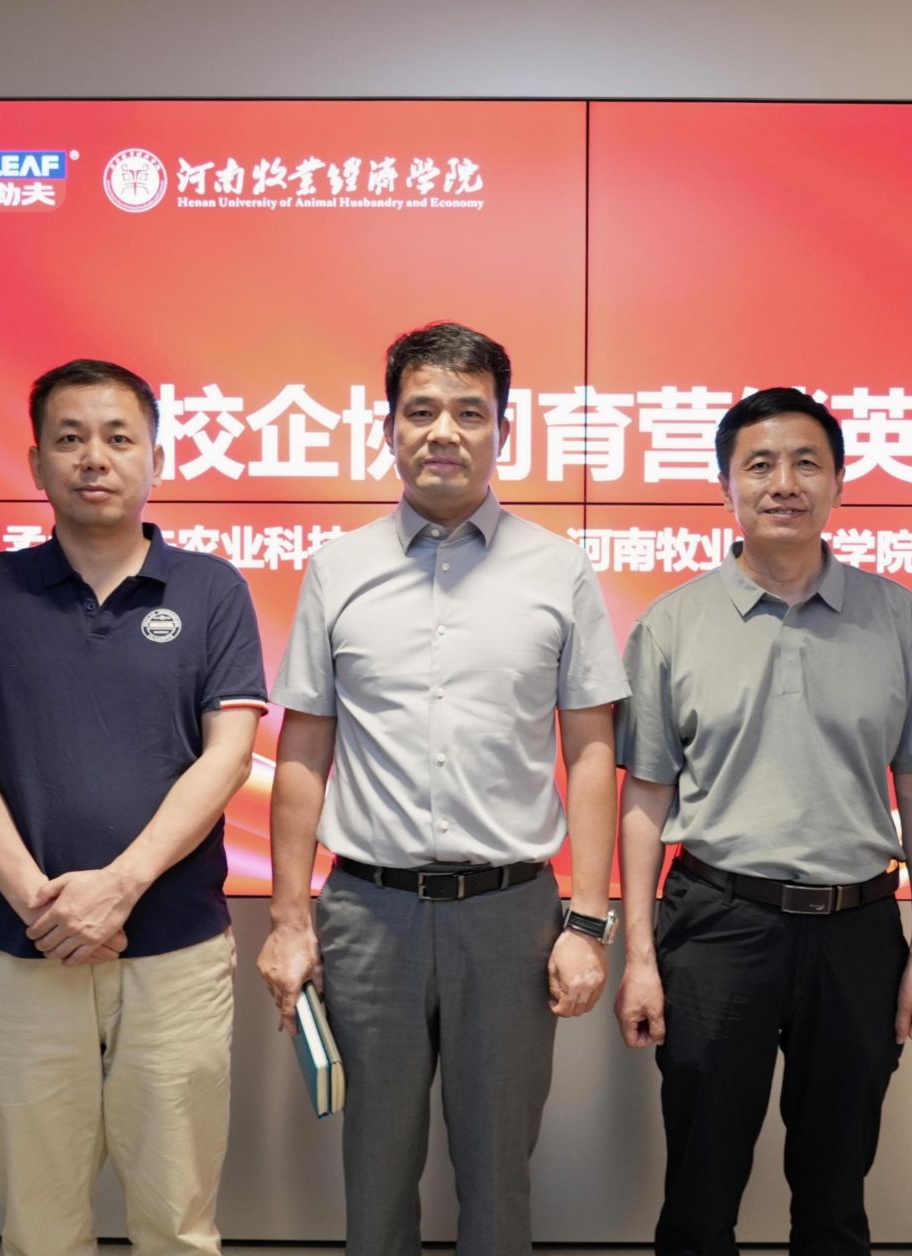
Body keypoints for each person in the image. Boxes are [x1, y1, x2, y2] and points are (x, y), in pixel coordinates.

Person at [256, 322, 628, 1256]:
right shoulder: (338, 568)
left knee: (499, 1175)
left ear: (504, 429)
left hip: (509, 915)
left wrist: (588, 922)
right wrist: (291, 918)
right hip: (367, 914)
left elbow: (591, 750)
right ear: (388, 428)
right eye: (421, 411)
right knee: (375, 1171)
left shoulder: (558, 569)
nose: (444, 433)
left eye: (470, 412)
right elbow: (304, 749)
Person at [0, 358, 267, 1256]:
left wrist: (117, 888)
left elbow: (228, 757)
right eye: (69, 438)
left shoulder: (212, 590)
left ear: (156, 458)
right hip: (25, 948)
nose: (94, 458)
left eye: (119, 438)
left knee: (178, 1221)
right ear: (35, 462)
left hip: (177, 952)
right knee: (39, 1224)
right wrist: (47, 906)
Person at [614, 386, 912, 1256]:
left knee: (836, 1198)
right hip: (717, 925)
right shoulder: (672, 624)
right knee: (699, 1194)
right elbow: (645, 801)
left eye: (807, 463)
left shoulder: (899, 618)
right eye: (760, 465)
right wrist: (641, 960)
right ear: (725, 486)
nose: (784, 483)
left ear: (839, 482)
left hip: (858, 929)